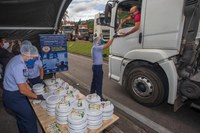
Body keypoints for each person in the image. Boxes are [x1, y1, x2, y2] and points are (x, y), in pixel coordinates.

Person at [2, 44, 45, 133]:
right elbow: (22, 90)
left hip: (12, 93)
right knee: (29, 118)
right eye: (33, 58)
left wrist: (31, 90)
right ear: (27, 54)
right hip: (13, 97)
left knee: (21, 119)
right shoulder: (18, 65)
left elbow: (23, 81)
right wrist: (37, 96)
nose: (33, 60)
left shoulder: (18, 59)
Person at [90, 35, 114, 101]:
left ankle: (91, 94)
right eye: (99, 40)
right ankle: (100, 98)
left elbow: (97, 55)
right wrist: (113, 37)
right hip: (98, 67)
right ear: (96, 41)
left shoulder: (95, 47)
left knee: (94, 82)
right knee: (99, 82)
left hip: (95, 67)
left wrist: (103, 55)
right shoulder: (96, 47)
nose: (101, 40)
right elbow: (107, 45)